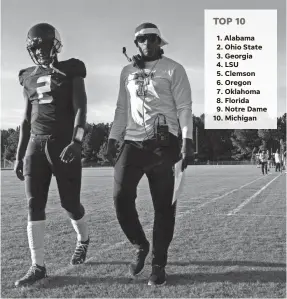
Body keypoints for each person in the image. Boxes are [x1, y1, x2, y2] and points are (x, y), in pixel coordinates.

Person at [106, 22, 194, 286]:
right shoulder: (127, 71)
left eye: (151, 38)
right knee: (120, 197)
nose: (146, 43)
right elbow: (122, 108)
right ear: (136, 43)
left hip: (164, 145)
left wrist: (187, 139)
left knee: (164, 209)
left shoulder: (174, 69)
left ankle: (158, 264)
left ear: (159, 41)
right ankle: (140, 245)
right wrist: (113, 137)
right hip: (132, 144)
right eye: (141, 39)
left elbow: (184, 106)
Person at [14, 23, 89, 287]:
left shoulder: (71, 69)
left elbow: (81, 108)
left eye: (44, 45)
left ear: (54, 45)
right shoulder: (27, 76)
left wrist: (77, 141)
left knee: (70, 204)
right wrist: (19, 154)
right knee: (34, 204)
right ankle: (38, 266)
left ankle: (83, 238)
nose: (40, 51)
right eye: (35, 47)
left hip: (63, 145)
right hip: (36, 145)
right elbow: (25, 120)